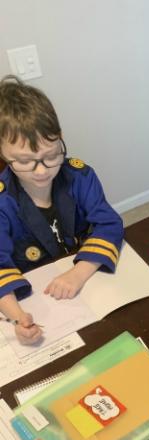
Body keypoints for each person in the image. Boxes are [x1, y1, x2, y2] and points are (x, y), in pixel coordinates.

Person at [0, 75, 124, 345]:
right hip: (38, 299)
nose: (42, 170)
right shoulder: (3, 203)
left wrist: (79, 273)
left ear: (60, 138)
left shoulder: (80, 176)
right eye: (25, 161)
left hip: (87, 282)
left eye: (51, 154)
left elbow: (110, 223)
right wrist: (18, 318)